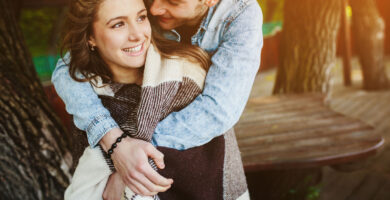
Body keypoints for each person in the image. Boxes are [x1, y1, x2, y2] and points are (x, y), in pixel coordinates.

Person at [52, 0, 263, 197]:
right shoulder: (100, 92)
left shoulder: (239, 15)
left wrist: (130, 161)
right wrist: (113, 139)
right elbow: (68, 66)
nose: (154, 9)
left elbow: (218, 110)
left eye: (172, 1)